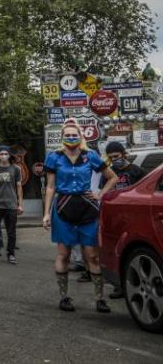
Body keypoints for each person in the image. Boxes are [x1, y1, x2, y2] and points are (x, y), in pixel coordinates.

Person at [43, 120, 118, 312]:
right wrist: (46, 214)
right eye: (67, 135)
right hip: (62, 208)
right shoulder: (54, 157)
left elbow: (113, 178)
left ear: (80, 136)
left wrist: (100, 194)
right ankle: (64, 297)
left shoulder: (90, 156)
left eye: (74, 134)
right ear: (62, 137)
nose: (70, 138)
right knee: (64, 254)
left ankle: (100, 299)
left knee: (92, 256)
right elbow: (50, 187)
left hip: (87, 208)